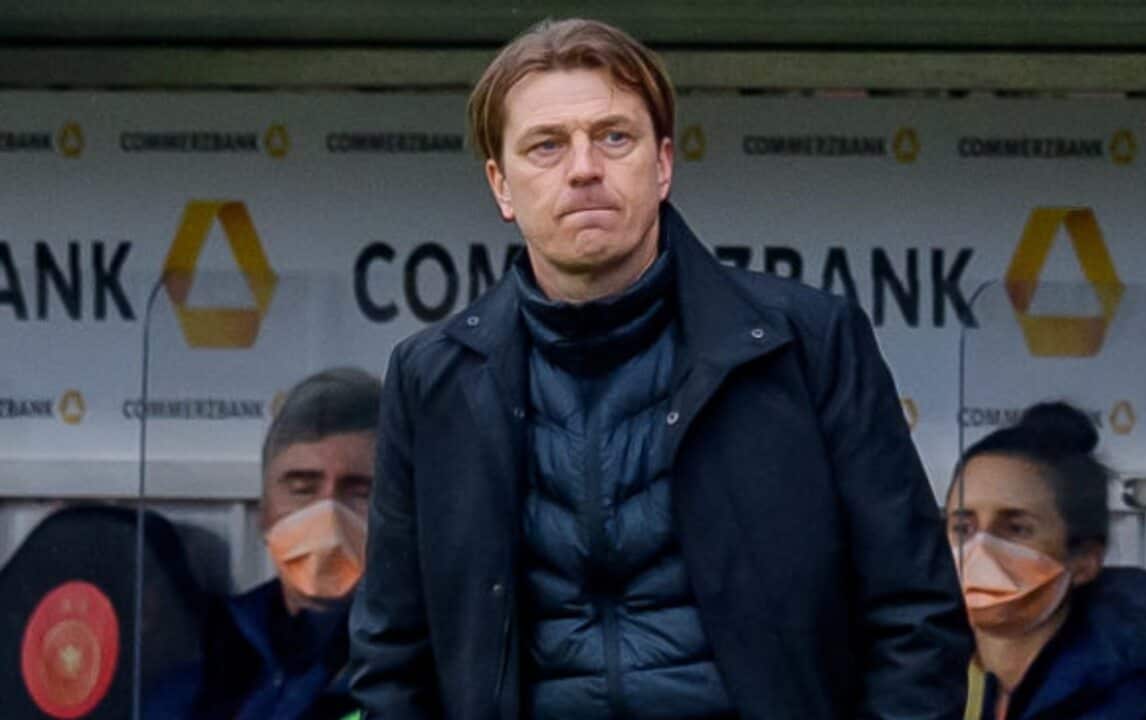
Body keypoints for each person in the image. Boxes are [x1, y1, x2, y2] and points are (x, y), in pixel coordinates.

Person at [350, 17, 971, 720]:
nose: (584, 168)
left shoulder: (807, 343)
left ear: (664, 163)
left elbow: (916, 617)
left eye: (614, 137)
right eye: (546, 146)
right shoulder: (432, 379)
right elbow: (392, 654)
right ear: (500, 184)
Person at [947, 402, 1146, 720]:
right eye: (963, 528)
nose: (982, 549)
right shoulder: (941, 673)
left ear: (1084, 560)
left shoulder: (1139, 702)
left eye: (1016, 529)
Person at [146, 367, 380, 720]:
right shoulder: (205, 665)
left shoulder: (430, 672)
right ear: (265, 512)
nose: (327, 515)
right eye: (301, 489)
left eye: (360, 492)